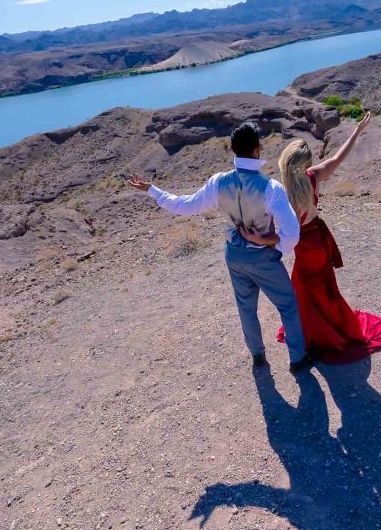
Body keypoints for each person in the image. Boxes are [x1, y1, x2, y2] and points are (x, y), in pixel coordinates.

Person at [126, 122, 313, 373]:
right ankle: (298, 359)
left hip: (233, 255)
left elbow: (185, 206)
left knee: (246, 307)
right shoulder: (271, 188)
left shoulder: (218, 183)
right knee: (288, 304)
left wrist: (153, 190)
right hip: (262, 257)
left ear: (231, 150)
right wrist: (269, 243)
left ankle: (258, 355)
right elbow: (291, 234)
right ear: (258, 149)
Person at [244, 112, 381, 363]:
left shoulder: (282, 194)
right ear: (305, 162)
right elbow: (337, 158)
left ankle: (317, 336)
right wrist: (356, 131)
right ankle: (333, 329)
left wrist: (256, 239)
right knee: (326, 289)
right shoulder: (313, 177)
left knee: (305, 292)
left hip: (304, 247)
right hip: (320, 240)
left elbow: (281, 234)